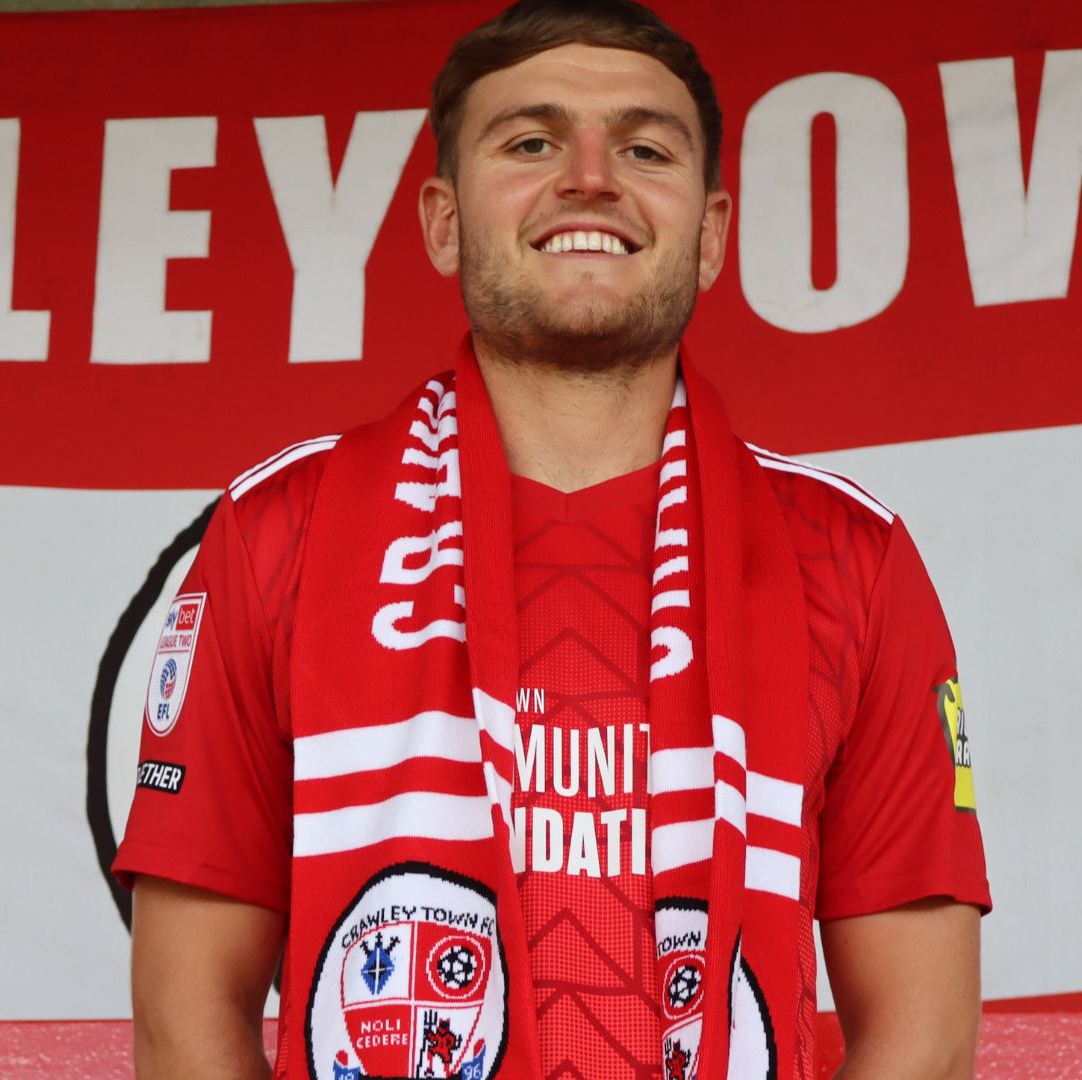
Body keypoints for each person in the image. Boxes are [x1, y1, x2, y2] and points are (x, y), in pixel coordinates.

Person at [113, 1, 989, 1077]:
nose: (590, 178)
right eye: (531, 143)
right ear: (444, 222)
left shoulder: (853, 555)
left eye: (645, 149)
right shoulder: (277, 533)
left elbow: (923, 1037)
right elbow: (185, 1012)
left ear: (712, 235)